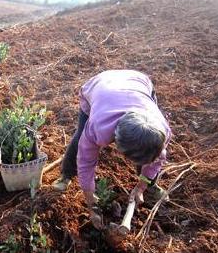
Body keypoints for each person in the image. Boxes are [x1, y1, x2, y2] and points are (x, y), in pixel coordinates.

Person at [54, 70, 171, 229]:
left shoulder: (160, 132)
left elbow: (158, 159)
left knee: (146, 151)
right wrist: (90, 201)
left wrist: (141, 186)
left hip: (138, 82)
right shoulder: (98, 127)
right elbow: (86, 162)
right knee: (79, 138)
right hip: (99, 87)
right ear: (116, 140)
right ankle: (66, 174)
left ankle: (150, 186)